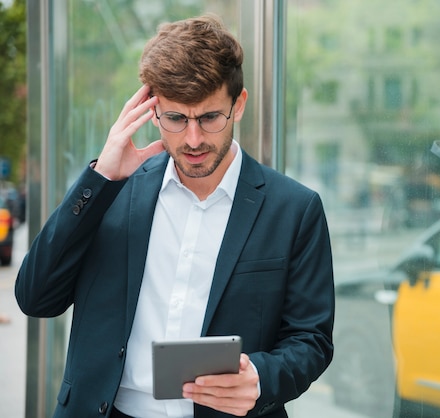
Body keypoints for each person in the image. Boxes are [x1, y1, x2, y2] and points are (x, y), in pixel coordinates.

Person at [15, 13, 334, 418]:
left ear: (239, 105)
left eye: (209, 117)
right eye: (176, 118)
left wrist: (260, 376)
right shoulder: (111, 190)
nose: (193, 139)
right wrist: (100, 178)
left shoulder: (295, 208)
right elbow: (35, 297)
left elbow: (311, 340)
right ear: (153, 111)